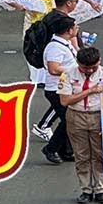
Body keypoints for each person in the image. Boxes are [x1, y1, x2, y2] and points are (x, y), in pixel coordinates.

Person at [60, 46, 103, 204]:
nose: (89, 70)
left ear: (99, 61)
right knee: (81, 155)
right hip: (76, 116)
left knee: (99, 154)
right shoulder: (67, 75)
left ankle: (101, 189)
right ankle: (85, 189)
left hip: (99, 116)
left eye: (93, 67)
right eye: (85, 67)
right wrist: (90, 91)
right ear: (78, 63)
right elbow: (65, 100)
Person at [42, 15, 81, 164]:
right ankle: (51, 148)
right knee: (68, 121)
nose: (77, 29)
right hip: (55, 89)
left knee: (68, 120)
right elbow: (53, 69)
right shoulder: (55, 48)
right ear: (68, 30)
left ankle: (65, 151)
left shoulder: (65, 43)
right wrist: (74, 70)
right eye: (75, 27)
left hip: (66, 87)